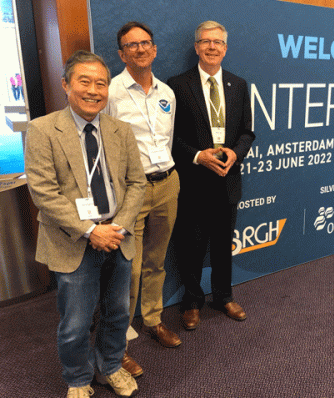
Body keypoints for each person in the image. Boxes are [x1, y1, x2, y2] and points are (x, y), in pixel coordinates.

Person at [24, 50, 146, 398]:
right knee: (75, 323)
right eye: (85, 81)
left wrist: (118, 227)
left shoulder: (120, 130)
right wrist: (92, 230)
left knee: (118, 314)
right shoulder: (43, 130)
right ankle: (78, 378)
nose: (94, 90)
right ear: (66, 85)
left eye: (101, 83)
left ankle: (109, 367)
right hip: (73, 241)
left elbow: (137, 183)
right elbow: (44, 193)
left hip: (118, 237)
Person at [167, 21, 255, 330]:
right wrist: (197, 155)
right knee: (191, 247)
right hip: (193, 182)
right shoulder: (177, 85)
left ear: (225, 48)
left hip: (228, 180)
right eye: (206, 41)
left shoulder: (239, 84)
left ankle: (223, 296)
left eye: (217, 42)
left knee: (222, 244)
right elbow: (170, 136)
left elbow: (247, 132)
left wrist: (235, 153)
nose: (212, 47)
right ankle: (191, 303)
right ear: (196, 47)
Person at [106, 21, 181, 378]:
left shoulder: (167, 92)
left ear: (154, 49)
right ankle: (116, 345)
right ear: (122, 54)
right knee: (128, 269)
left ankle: (153, 319)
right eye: (132, 45)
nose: (140, 49)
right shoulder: (111, 93)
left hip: (167, 183)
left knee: (156, 259)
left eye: (146, 43)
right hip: (130, 191)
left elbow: (166, 142)